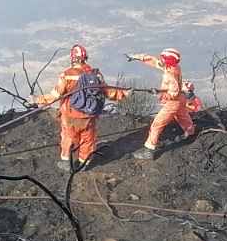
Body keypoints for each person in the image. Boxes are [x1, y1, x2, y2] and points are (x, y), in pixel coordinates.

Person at [36, 44, 131, 172]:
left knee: (68, 137)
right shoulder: (95, 74)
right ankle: (83, 163)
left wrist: (37, 99)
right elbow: (108, 92)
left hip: (70, 115)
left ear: (72, 58)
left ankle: (66, 162)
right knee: (88, 139)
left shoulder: (67, 75)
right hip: (89, 115)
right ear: (85, 58)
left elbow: (55, 95)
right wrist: (124, 94)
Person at [127, 47, 195, 160]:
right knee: (182, 115)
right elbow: (154, 61)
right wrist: (136, 57)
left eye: (163, 58)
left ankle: (149, 150)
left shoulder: (171, 74)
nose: (161, 59)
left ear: (167, 61)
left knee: (156, 125)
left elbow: (173, 93)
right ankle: (190, 132)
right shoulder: (173, 67)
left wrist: (157, 94)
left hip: (173, 102)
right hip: (180, 99)